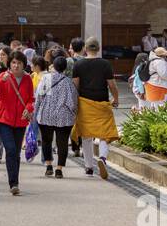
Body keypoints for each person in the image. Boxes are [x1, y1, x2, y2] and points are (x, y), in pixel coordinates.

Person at [71, 36, 119, 178]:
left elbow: (75, 86)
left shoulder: (78, 65)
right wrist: (115, 99)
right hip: (102, 103)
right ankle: (103, 158)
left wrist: (74, 104)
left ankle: (89, 167)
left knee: (86, 136)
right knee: (105, 134)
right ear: (98, 49)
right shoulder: (105, 64)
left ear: (85, 49)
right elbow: (112, 85)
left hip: (85, 103)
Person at [0, 50, 34, 196]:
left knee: (15, 154)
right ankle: (13, 183)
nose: (16, 66)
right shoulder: (4, 76)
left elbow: (31, 99)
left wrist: (28, 108)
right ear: (9, 64)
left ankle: (15, 182)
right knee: (10, 149)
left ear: (24, 65)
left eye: (19, 63)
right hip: (4, 119)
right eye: (13, 63)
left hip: (20, 121)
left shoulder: (28, 79)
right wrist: (1, 80)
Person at [34, 54, 77, 176]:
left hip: (46, 114)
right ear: (65, 68)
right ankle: (59, 169)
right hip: (63, 116)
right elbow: (72, 102)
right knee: (62, 142)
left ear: (53, 66)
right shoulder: (68, 82)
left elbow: (39, 97)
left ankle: (48, 165)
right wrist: (74, 114)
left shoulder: (46, 79)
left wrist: (35, 112)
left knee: (46, 141)